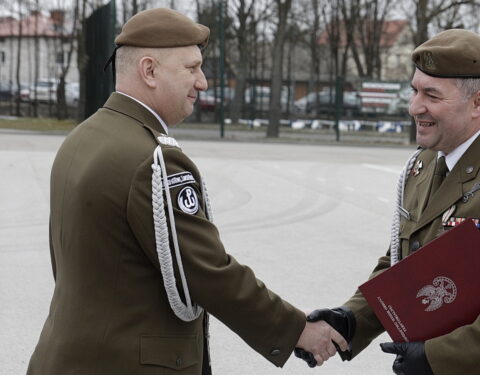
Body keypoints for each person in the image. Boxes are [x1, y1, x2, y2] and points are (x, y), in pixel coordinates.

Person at [26, 8, 345, 375]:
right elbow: (209, 272)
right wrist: (296, 329)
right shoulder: (154, 159)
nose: (203, 82)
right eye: (191, 68)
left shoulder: (83, 138)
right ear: (149, 71)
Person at [298, 29, 480, 374]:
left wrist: (438, 357)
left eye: (431, 95)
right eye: (414, 90)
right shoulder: (424, 163)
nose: (414, 106)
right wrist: (353, 318)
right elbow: (406, 263)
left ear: (479, 102)